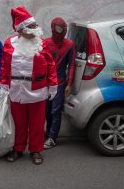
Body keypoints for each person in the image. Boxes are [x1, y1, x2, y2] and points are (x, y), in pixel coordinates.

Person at [0, 6, 57, 165]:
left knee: (37, 123)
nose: (34, 30)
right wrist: (3, 83)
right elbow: (4, 64)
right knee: (19, 122)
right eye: (30, 27)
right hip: (16, 89)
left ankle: (36, 150)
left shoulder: (42, 43)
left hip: (37, 90)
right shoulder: (9, 44)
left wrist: (53, 86)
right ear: (21, 29)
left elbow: (50, 65)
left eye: (35, 26)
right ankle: (18, 148)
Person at [44, 17, 76, 149]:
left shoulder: (69, 44)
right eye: (59, 29)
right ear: (53, 29)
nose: (62, 31)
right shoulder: (45, 43)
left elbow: (72, 64)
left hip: (60, 82)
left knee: (55, 111)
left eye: (64, 29)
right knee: (46, 111)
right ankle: (48, 133)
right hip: (45, 83)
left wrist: (69, 84)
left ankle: (52, 137)